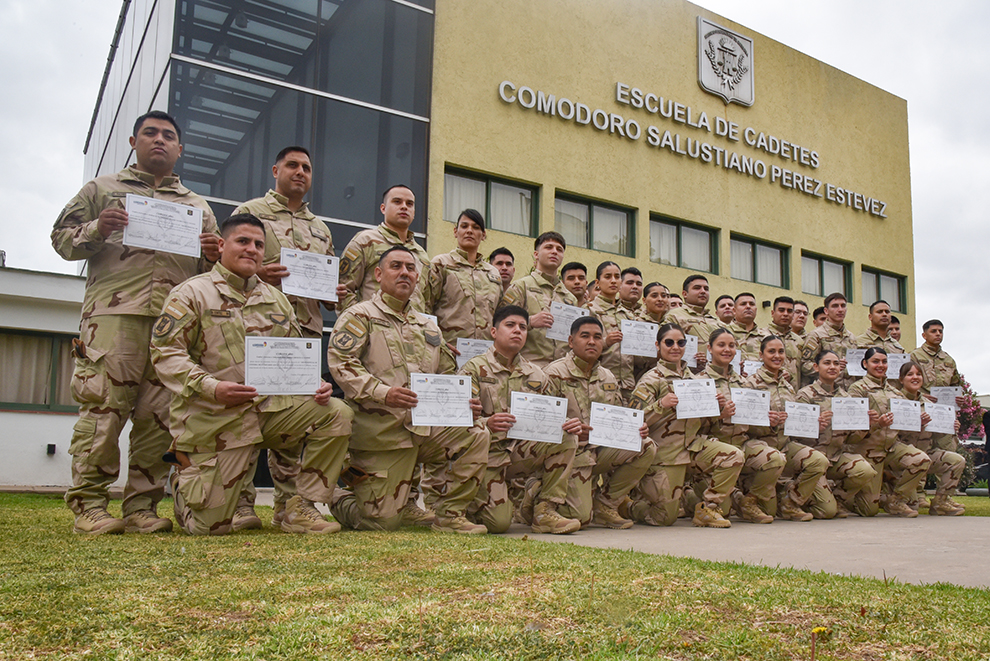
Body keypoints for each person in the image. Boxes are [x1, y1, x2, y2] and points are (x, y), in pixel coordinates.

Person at [52, 110, 219, 535]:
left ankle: (141, 506)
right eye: (150, 133)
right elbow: (60, 239)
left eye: (168, 135)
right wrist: (95, 227)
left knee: (159, 418)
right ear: (134, 141)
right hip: (114, 318)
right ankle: (89, 504)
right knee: (104, 409)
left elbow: (210, 273)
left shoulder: (197, 206)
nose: (159, 140)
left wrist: (212, 255)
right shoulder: (102, 189)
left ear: (180, 149)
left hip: (173, 326)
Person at [150, 214, 352, 535]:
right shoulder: (191, 294)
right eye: (243, 241)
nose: (252, 249)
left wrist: (314, 385)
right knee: (210, 529)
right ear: (220, 245)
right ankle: (185, 478)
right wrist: (212, 387)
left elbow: (295, 356)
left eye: (259, 244)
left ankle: (300, 506)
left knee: (335, 412)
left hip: (269, 414)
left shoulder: (278, 301)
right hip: (215, 418)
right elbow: (165, 353)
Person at [326, 246, 488, 533]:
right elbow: (341, 363)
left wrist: (463, 401)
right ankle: (339, 498)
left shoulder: (428, 325)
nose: (405, 273)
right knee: (382, 522)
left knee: (476, 432)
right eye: (396, 266)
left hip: (425, 430)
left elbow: (447, 374)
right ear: (378, 274)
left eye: (410, 268)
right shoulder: (359, 316)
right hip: (382, 432)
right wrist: (382, 392)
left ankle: (450, 514)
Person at [232, 146, 337, 530]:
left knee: (294, 421)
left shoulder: (320, 229)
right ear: (275, 169)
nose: (300, 172)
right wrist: (262, 275)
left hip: (303, 332)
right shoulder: (250, 213)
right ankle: (240, 504)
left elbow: (324, 292)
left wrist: (330, 291)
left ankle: (288, 506)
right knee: (246, 413)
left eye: (307, 167)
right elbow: (227, 267)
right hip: (256, 330)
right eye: (292, 165)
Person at [459, 306, 581, 534]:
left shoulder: (537, 373)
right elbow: (457, 421)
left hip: (519, 452)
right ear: (494, 332)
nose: (517, 331)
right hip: (487, 456)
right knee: (499, 524)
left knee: (566, 436)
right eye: (510, 325)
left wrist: (565, 422)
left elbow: (551, 415)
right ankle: (474, 500)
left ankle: (545, 510)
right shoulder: (474, 369)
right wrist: (487, 423)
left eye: (523, 327)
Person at [626, 323, 743, 528]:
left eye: (680, 342)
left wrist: (717, 412)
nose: (675, 347)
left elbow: (700, 420)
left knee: (734, 456)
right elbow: (633, 419)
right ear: (658, 345)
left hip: (692, 446)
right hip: (666, 452)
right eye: (669, 342)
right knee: (665, 518)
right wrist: (660, 405)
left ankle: (708, 508)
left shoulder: (694, 379)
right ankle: (627, 505)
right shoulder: (651, 379)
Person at [544, 317, 655, 529]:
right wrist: (568, 426)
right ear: (571, 340)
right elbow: (542, 421)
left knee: (646, 445)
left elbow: (619, 415)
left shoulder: (608, 377)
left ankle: (605, 505)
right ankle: (535, 493)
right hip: (568, 455)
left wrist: (636, 428)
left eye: (597, 337)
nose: (592, 342)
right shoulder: (554, 373)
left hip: (599, 451)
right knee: (581, 518)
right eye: (584, 336)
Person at [744, 336, 830, 521]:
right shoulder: (750, 384)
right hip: (759, 445)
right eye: (771, 351)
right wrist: (765, 421)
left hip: (784, 445)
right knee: (768, 511)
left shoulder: (787, 386)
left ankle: (791, 502)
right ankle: (748, 500)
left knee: (818, 461)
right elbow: (742, 425)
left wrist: (813, 425)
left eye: (781, 351)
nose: (777, 356)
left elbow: (794, 423)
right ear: (761, 355)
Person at [701, 328, 783, 524]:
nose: (727, 349)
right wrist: (718, 416)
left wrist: (768, 423)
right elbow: (689, 426)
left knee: (776, 458)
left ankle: (748, 501)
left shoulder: (745, 384)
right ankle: (707, 507)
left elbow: (753, 427)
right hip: (710, 447)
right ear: (709, 348)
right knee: (725, 511)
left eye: (731, 345)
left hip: (741, 444)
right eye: (721, 345)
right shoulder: (700, 382)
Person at [846, 348, 931, 517]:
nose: (880, 365)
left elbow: (903, 425)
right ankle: (852, 497)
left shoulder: (895, 392)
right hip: (868, 452)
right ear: (865, 364)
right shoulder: (857, 390)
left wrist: (918, 422)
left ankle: (895, 500)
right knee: (868, 510)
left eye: (884, 362)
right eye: (875, 361)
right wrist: (877, 424)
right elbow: (852, 426)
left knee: (921, 460)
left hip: (892, 448)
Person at [794, 350, 875, 518]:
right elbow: (794, 434)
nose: (832, 367)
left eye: (836, 364)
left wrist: (864, 425)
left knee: (865, 470)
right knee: (827, 512)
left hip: (835, 457)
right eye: (827, 363)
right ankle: (793, 494)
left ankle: (837, 499)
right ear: (816, 367)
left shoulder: (846, 398)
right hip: (813, 461)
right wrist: (815, 425)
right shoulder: (805, 395)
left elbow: (851, 439)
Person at [338, 185, 430, 311]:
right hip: (375, 326)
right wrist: (361, 322)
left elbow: (426, 301)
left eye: (409, 204)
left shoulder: (422, 254)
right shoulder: (366, 241)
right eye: (397, 202)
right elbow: (343, 291)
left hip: (412, 328)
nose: (404, 207)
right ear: (383, 208)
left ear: (414, 212)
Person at [895, 361, 964, 515]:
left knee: (957, 460)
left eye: (918, 374)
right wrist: (916, 424)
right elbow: (889, 432)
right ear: (901, 379)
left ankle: (940, 502)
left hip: (925, 455)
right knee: (912, 506)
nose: (915, 377)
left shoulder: (930, 405)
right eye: (910, 374)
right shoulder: (895, 401)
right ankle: (896, 500)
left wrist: (951, 427)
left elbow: (937, 433)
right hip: (899, 458)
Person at [500, 232, 579, 367]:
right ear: (536, 254)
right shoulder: (521, 286)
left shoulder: (569, 298)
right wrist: (530, 322)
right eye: (548, 247)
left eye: (559, 249)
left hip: (563, 371)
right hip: (529, 367)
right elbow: (501, 323)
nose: (554, 252)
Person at [425, 208, 503, 345]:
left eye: (476, 227)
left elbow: (500, 316)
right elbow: (425, 308)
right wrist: (438, 343)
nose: (469, 231)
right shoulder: (441, 264)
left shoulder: (493, 273)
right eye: (464, 226)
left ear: (483, 235)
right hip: (449, 353)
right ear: (456, 232)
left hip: (485, 357)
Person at [909, 319, 967, 458]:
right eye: (933, 331)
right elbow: (906, 383)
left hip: (944, 413)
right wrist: (921, 395)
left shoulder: (948, 360)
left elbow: (956, 384)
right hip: (923, 412)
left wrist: (959, 397)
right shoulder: (914, 356)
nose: (938, 334)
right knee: (920, 456)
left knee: (947, 455)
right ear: (924, 335)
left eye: (940, 331)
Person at [589, 263, 638, 401]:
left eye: (617, 277)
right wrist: (606, 342)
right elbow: (580, 346)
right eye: (608, 276)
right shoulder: (590, 310)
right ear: (598, 282)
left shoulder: (629, 315)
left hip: (628, 385)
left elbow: (636, 355)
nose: (613, 280)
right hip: (600, 381)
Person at [666, 274, 726, 370]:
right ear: (685, 294)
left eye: (706, 289)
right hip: (687, 374)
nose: (703, 291)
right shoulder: (674, 316)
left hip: (715, 374)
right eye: (697, 288)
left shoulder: (716, 322)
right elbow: (666, 346)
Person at [801, 293, 857, 390]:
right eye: (835, 306)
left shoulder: (852, 338)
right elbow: (805, 365)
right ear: (826, 311)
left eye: (843, 306)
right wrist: (831, 366)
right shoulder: (816, 335)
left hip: (849, 393)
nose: (840, 309)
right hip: (825, 392)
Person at [762, 296, 804, 386]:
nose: (785, 314)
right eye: (781, 310)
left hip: (793, 394)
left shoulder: (799, 341)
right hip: (768, 390)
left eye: (789, 311)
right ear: (773, 313)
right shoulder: (761, 336)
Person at [728, 292, 763, 361]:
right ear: (734, 311)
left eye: (752, 304)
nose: (748, 307)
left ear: (756, 309)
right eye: (743, 304)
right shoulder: (724, 332)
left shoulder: (765, 336)